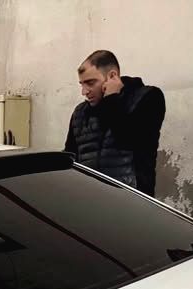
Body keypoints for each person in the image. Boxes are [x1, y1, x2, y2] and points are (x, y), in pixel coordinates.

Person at [65, 50, 166, 196]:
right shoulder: (80, 113)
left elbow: (127, 139)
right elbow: (71, 158)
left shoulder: (148, 97)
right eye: (82, 84)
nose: (84, 92)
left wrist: (111, 98)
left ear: (112, 76)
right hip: (89, 199)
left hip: (131, 199)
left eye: (90, 83)